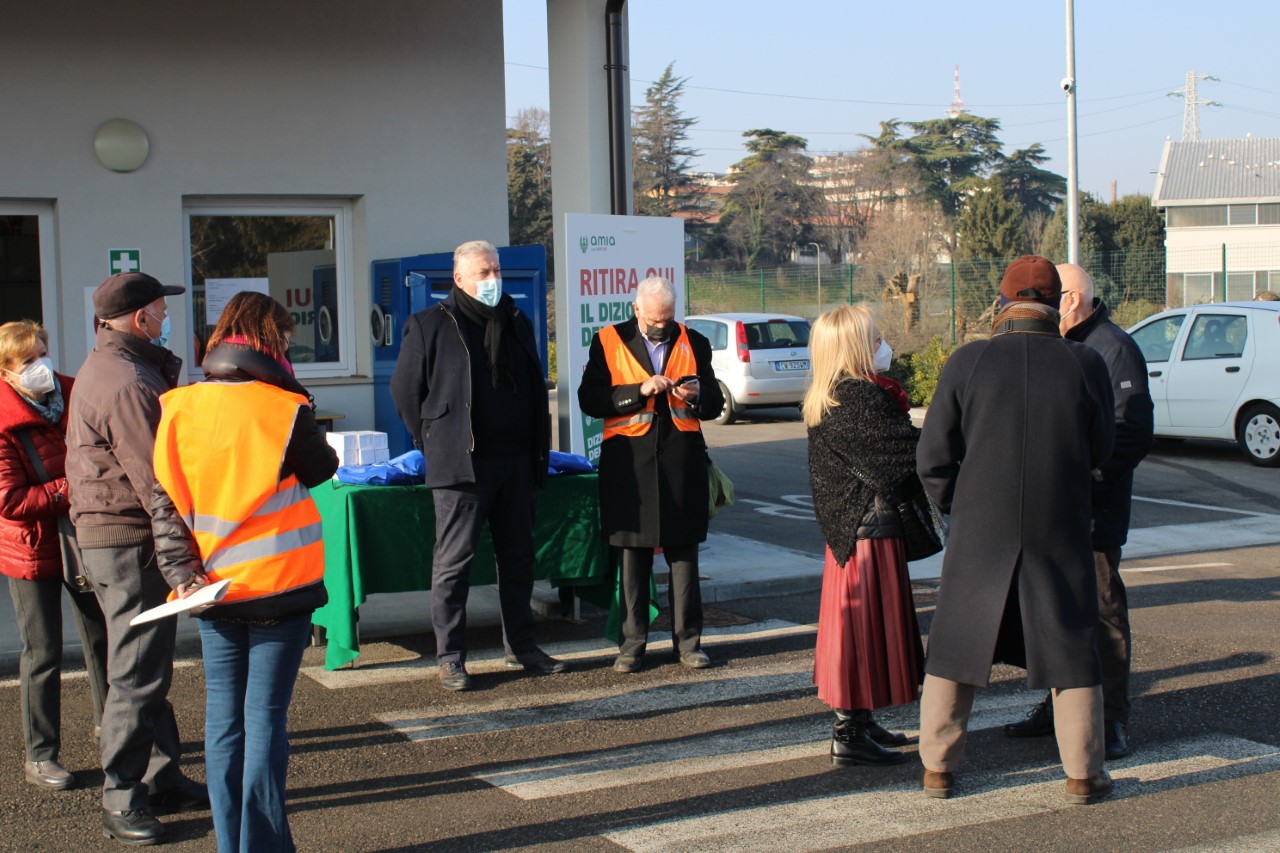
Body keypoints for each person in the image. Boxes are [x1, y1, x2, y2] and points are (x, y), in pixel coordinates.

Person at [915, 255, 1116, 804]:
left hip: (981, 529)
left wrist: (964, 508)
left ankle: (938, 770)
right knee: (1071, 646)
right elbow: (1103, 450)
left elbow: (932, 458)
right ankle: (1083, 775)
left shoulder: (967, 361)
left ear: (1003, 304)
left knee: (956, 647)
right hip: (1059, 525)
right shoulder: (1085, 364)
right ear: (1055, 304)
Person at [152, 291, 338, 853]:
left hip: (210, 589)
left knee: (223, 726)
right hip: (279, 588)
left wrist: (183, 571)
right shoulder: (283, 408)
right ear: (270, 343)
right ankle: (265, 846)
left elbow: (163, 502)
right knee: (264, 726)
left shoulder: (178, 406)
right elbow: (323, 467)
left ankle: (231, 844)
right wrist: (293, 389)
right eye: (284, 341)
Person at [65, 272, 209, 845]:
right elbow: (158, 479)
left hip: (120, 535)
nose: (165, 316)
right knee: (136, 670)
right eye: (159, 308)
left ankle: (160, 776)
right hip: (127, 540)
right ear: (138, 318)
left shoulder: (115, 366)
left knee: (146, 667)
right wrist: (184, 556)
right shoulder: (126, 380)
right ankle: (122, 796)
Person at [391, 239, 562, 692]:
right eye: (482, 273)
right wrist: (432, 440)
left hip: (517, 462)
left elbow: (531, 383)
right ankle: (450, 657)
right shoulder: (430, 324)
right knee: (455, 563)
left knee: (519, 558)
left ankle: (521, 646)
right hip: (461, 466)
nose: (492, 280)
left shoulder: (516, 319)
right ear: (460, 279)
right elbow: (406, 393)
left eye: (495, 271)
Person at [1003, 264, 1154, 760]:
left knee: (1103, 617)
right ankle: (1057, 706)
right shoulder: (1056, 345)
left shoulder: (1112, 347)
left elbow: (1130, 432)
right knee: (1052, 615)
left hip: (1092, 513)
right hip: (1051, 512)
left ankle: (1110, 721)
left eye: (1050, 295)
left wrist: (1081, 481)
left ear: (1070, 299)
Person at [577, 276, 724, 673]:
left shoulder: (695, 340)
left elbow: (714, 402)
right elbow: (590, 399)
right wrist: (638, 390)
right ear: (636, 309)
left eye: (669, 318)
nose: (663, 325)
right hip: (628, 462)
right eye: (656, 319)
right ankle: (632, 645)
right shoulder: (607, 340)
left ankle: (689, 643)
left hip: (682, 462)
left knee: (684, 557)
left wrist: (696, 396)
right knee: (632, 558)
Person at [804, 306, 924, 767]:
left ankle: (861, 720)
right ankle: (849, 732)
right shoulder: (858, 399)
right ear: (855, 346)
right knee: (862, 632)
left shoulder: (832, 394)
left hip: (852, 530)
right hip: (866, 531)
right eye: (874, 337)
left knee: (861, 630)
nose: (882, 343)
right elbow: (905, 457)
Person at [0, 321, 109, 791]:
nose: (39, 365)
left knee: (102, 638)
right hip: (31, 547)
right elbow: (11, 501)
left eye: (42, 352)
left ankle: (115, 731)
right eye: (27, 360)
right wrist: (72, 486)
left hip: (83, 536)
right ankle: (41, 754)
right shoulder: (3, 417)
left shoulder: (73, 391)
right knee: (42, 652)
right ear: (6, 370)